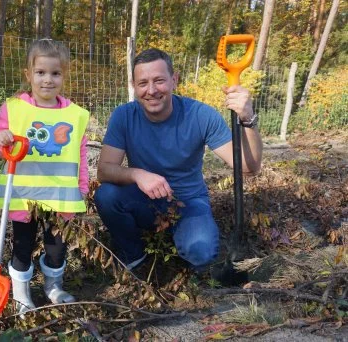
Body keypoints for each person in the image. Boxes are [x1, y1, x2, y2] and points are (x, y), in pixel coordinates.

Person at [94, 48, 262, 274]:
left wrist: (247, 119)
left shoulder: (200, 115)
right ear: (134, 86)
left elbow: (249, 168)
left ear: (174, 80)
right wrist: (137, 174)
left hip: (189, 201)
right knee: (107, 195)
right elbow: (104, 171)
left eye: (159, 81)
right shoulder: (124, 116)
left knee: (201, 253)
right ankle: (135, 258)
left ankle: (184, 238)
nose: (151, 90)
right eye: (143, 83)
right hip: (145, 201)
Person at [0, 39, 89, 314]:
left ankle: (53, 286)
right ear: (28, 75)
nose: (48, 80)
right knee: (22, 246)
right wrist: (0, 140)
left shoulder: (75, 115)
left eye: (55, 73)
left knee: (57, 247)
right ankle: (21, 294)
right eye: (41, 73)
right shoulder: (14, 109)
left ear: (64, 75)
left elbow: (79, 155)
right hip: (23, 198)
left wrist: (82, 188)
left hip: (60, 198)